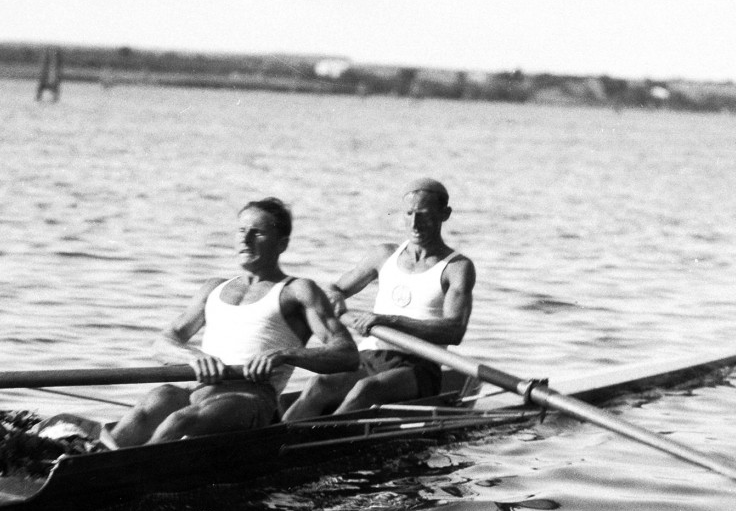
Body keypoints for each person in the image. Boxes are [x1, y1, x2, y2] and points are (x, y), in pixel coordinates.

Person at [106, 198, 357, 446]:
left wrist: (285, 355)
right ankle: (93, 456)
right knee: (157, 398)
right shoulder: (214, 288)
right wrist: (192, 356)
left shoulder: (298, 290)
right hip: (201, 390)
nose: (244, 239)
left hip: (251, 398)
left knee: (178, 422)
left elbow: (346, 355)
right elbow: (163, 342)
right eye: (241, 230)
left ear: (282, 244)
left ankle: (121, 473)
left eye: (256, 232)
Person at [284, 178, 476, 419]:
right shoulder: (383, 255)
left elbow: (454, 330)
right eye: (409, 213)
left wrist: (390, 321)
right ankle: (276, 440)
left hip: (419, 367)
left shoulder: (456, 267)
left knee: (366, 390)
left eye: (424, 214)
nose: (414, 224)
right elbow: (334, 289)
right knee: (318, 385)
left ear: (444, 214)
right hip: (370, 355)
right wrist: (335, 297)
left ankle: (313, 442)